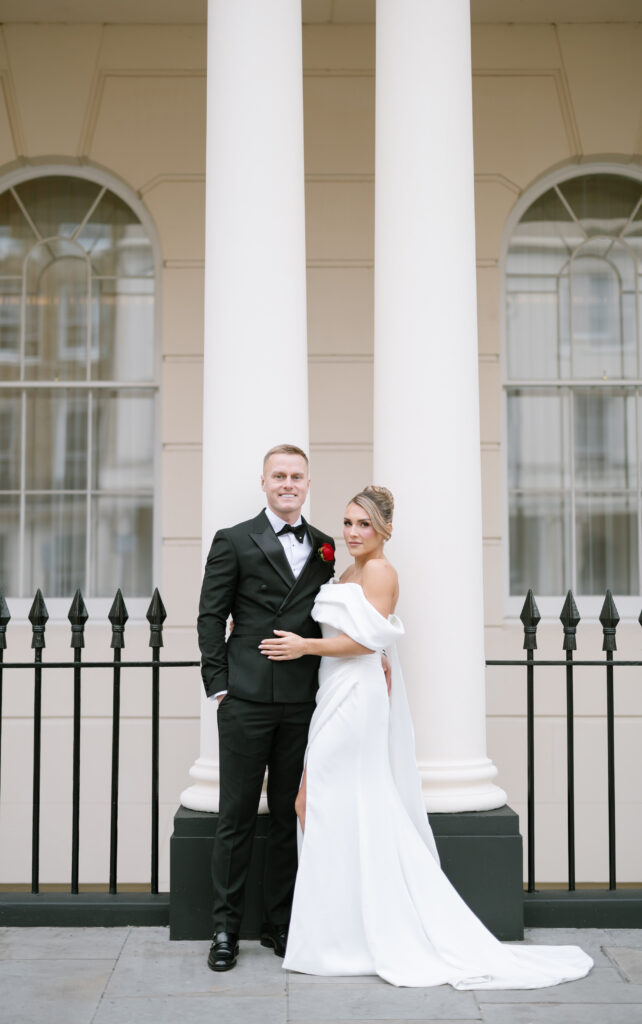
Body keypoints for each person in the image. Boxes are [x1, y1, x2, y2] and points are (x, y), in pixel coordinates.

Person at [258, 486, 593, 989]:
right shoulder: (347, 570)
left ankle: (348, 933)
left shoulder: (380, 571)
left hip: (354, 696)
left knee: (317, 800)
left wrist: (305, 645)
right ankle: (342, 929)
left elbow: (366, 641)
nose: (351, 533)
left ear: (384, 530)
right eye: (348, 523)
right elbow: (374, 634)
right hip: (335, 689)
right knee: (330, 803)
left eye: (363, 525)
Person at [197, 444, 335, 972]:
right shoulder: (233, 540)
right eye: (279, 475)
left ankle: (280, 923)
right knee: (234, 815)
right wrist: (219, 686)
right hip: (246, 699)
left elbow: (328, 619)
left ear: (306, 483)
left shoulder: (324, 546)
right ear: (263, 482)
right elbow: (211, 615)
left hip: (301, 700)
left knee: (285, 815)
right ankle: (225, 928)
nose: (288, 484)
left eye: (297, 476)